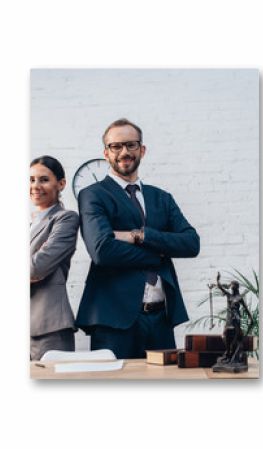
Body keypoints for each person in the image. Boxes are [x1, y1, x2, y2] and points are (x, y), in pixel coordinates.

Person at [76, 118, 200, 358]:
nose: (124, 152)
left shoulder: (161, 197)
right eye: (116, 146)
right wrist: (159, 253)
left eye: (131, 145)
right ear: (106, 153)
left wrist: (140, 236)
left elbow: (191, 243)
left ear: (142, 150)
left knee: (164, 391)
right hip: (113, 319)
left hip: (161, 318)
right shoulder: (93, 195)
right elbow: (103, 251)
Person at [30, 156, 79, 360]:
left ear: (61, 184)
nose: (35, 186)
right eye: (31, 180)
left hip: (49, 327)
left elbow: (36, 268)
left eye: (43, 179)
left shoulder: (65, 219)